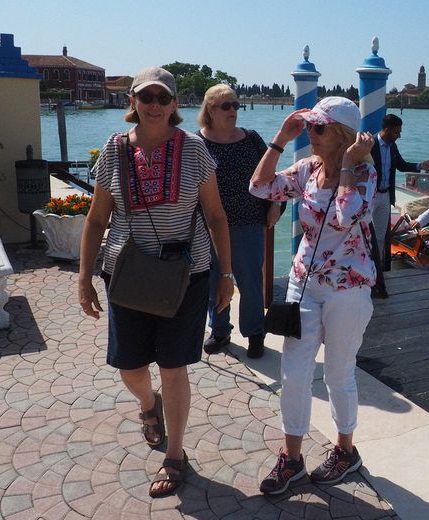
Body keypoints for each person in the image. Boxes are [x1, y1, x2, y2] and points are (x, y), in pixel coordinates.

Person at [78, 67, 233, 498]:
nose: (154, 106)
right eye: (146, 97)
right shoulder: (112, 152)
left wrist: (226, 274)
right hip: (127, 273)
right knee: (129, 366)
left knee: (173, 365)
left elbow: (217, 216)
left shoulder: (196, 151)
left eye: (163, 98)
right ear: (133, 102)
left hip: (187, 272)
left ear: (175, 105)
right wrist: (84, 278)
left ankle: (176, 456)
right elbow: (96, 219)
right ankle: (150, 406)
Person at [250, 96, 377, 495]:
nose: (311, 133)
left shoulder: (365, 175)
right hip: (304, 285)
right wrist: (279, 140)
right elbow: (259, 187)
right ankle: (292, 459)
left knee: (339, 374)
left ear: (342, 135)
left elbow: (343, 214)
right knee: (294, 375)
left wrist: (350, 166)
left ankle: (345, 451)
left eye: (318, 128)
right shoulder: (306, 169)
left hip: (349, 291)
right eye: (309, 126)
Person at [197, 84, 278, 359]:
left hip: (249, 221)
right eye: (226, 106)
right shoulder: (197, 142)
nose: (233, 110)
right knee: (215, 280)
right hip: (208, 226)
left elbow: (271, 175)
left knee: (250, 281)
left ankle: (255, 332)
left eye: (236, 105)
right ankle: (220, 330)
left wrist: (275, 205)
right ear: (210, 110)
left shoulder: (251, 138)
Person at [370, 114, 429, 271]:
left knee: (380, 234)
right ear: (386, 130)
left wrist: (420, 166)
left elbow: (402, 166)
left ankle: (377, 269)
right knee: (364, 232)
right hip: (370, 196)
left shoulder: (393, 147)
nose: (399, 135)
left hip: (385, 196)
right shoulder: (370, 144)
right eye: (397, 132)